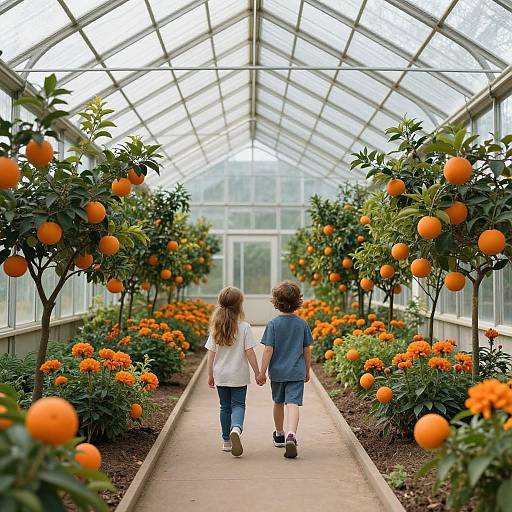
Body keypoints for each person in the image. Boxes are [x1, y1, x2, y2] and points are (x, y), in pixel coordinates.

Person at [258, 281, 313, 459]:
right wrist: (307, 370)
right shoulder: (302, 324)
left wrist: (262, 371)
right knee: (293, 403)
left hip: (278, 373)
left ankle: (280, 434)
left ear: (276, 302)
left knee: (278, 402)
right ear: (297, 301)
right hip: (296, 372)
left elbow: (268, 349)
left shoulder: (273, 324)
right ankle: (292, 435)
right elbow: (306, 349)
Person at [205, 286, 261, 457]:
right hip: (239, 375)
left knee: (224, 407)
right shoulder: (244, 327)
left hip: (221, 375)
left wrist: (210, 375)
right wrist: (258, 373)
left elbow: (211, 354)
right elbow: (249, 352)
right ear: (240, 306)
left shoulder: (216, 327)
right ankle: (236, 428)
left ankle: (226, 441)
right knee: (238, 405)